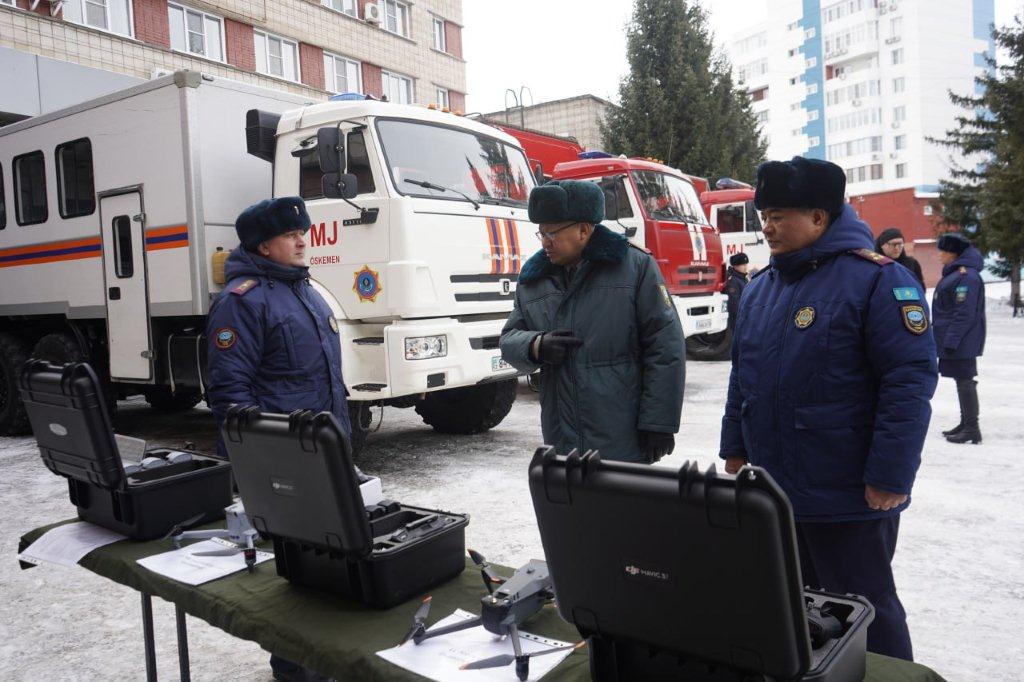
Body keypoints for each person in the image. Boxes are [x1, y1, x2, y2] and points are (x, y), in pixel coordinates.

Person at [719, 157, 937, 662]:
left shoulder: (878, 282)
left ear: (819, 217)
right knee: (792, 605)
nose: (767, 227)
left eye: (779, 215)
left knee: (865, 608)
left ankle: (890, 677)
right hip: (776, 489)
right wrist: (735, 444)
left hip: (847, 493)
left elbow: (908, 384)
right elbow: (742, 374)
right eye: (763, 215)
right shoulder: (760, 290)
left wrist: (890, 474)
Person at [206, 196, 351, 682]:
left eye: (303, 232)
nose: (302, 240)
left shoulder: (305, 291)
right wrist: (249, 467)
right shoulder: (241, 301)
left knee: (333, 564)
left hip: (327, 452)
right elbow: (229, 391)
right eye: (291, 235)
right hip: (284, 460)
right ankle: (296, 670)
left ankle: (327, 660)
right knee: (294, 573)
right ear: (262, 245)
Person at [500, 180, 685, 464]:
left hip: (622, 439)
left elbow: (665, 346)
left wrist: (659, 423)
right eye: (541, 233)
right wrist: (536, 345)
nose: (545, 242)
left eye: (552, 232)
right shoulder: (533, 279)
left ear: (584, 230)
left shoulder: (635, 268)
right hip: (561, 440)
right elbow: (509, 338)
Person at [932, 232, 986, 444]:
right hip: (956, 337)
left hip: (961, 339)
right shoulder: (958, 274)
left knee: (965, 381)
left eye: (943, 251)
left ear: (954, 254)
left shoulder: (966, 277)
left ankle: (972, 428)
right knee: (961, 380)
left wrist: (952, 340)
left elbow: (964, 312)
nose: (940, 256)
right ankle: (966, 423)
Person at [724, 252, 750, 329]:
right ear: (735, 266)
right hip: (738, 320)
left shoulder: (743, 278)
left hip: (745, 317)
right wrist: (745, 317)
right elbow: (735, 304)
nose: (746, 267)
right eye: (743, 265)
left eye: (746, 264)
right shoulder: (733, 280)